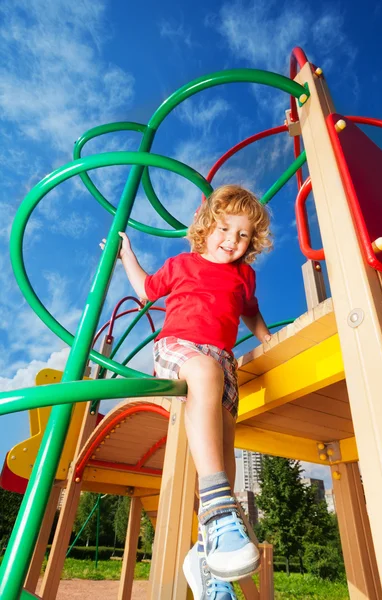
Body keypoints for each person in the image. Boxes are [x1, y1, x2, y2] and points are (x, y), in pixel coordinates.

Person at [114, 184, 272, 599]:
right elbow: (147, 289)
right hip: (180, 349)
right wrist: (125, 254)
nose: (231, 241)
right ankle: (219, 509)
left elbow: (250, 310)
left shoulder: (244, 275)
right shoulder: (183, 264)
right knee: (202, 371)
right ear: (206, 227)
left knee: (225, 447)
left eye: (242, 236)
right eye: (224, 229)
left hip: (222, 360)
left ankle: (210, 560)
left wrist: (267, 338)